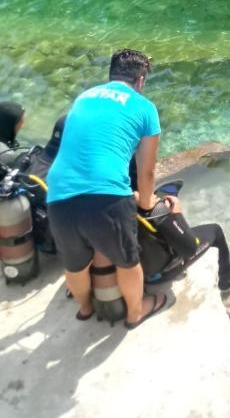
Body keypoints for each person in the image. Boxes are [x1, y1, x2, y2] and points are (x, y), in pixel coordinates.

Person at [46, 49, 169, 328]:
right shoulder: (144, 107)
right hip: (106, 195)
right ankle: (135, 312)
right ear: (140, 80)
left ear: (111, 75)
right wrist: (147, 201)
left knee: (75, 264)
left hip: (58, 192)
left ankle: (86, 308)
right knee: (128, 260)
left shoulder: (83, 97)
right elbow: (147, 170)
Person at [138, 194, 230, 292]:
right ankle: (226, 277)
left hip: (137, 271)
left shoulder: (124, 206)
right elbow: (190, 248)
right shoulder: (155, 211)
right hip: (161, 272)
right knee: (216, 231)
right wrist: (177, 215)